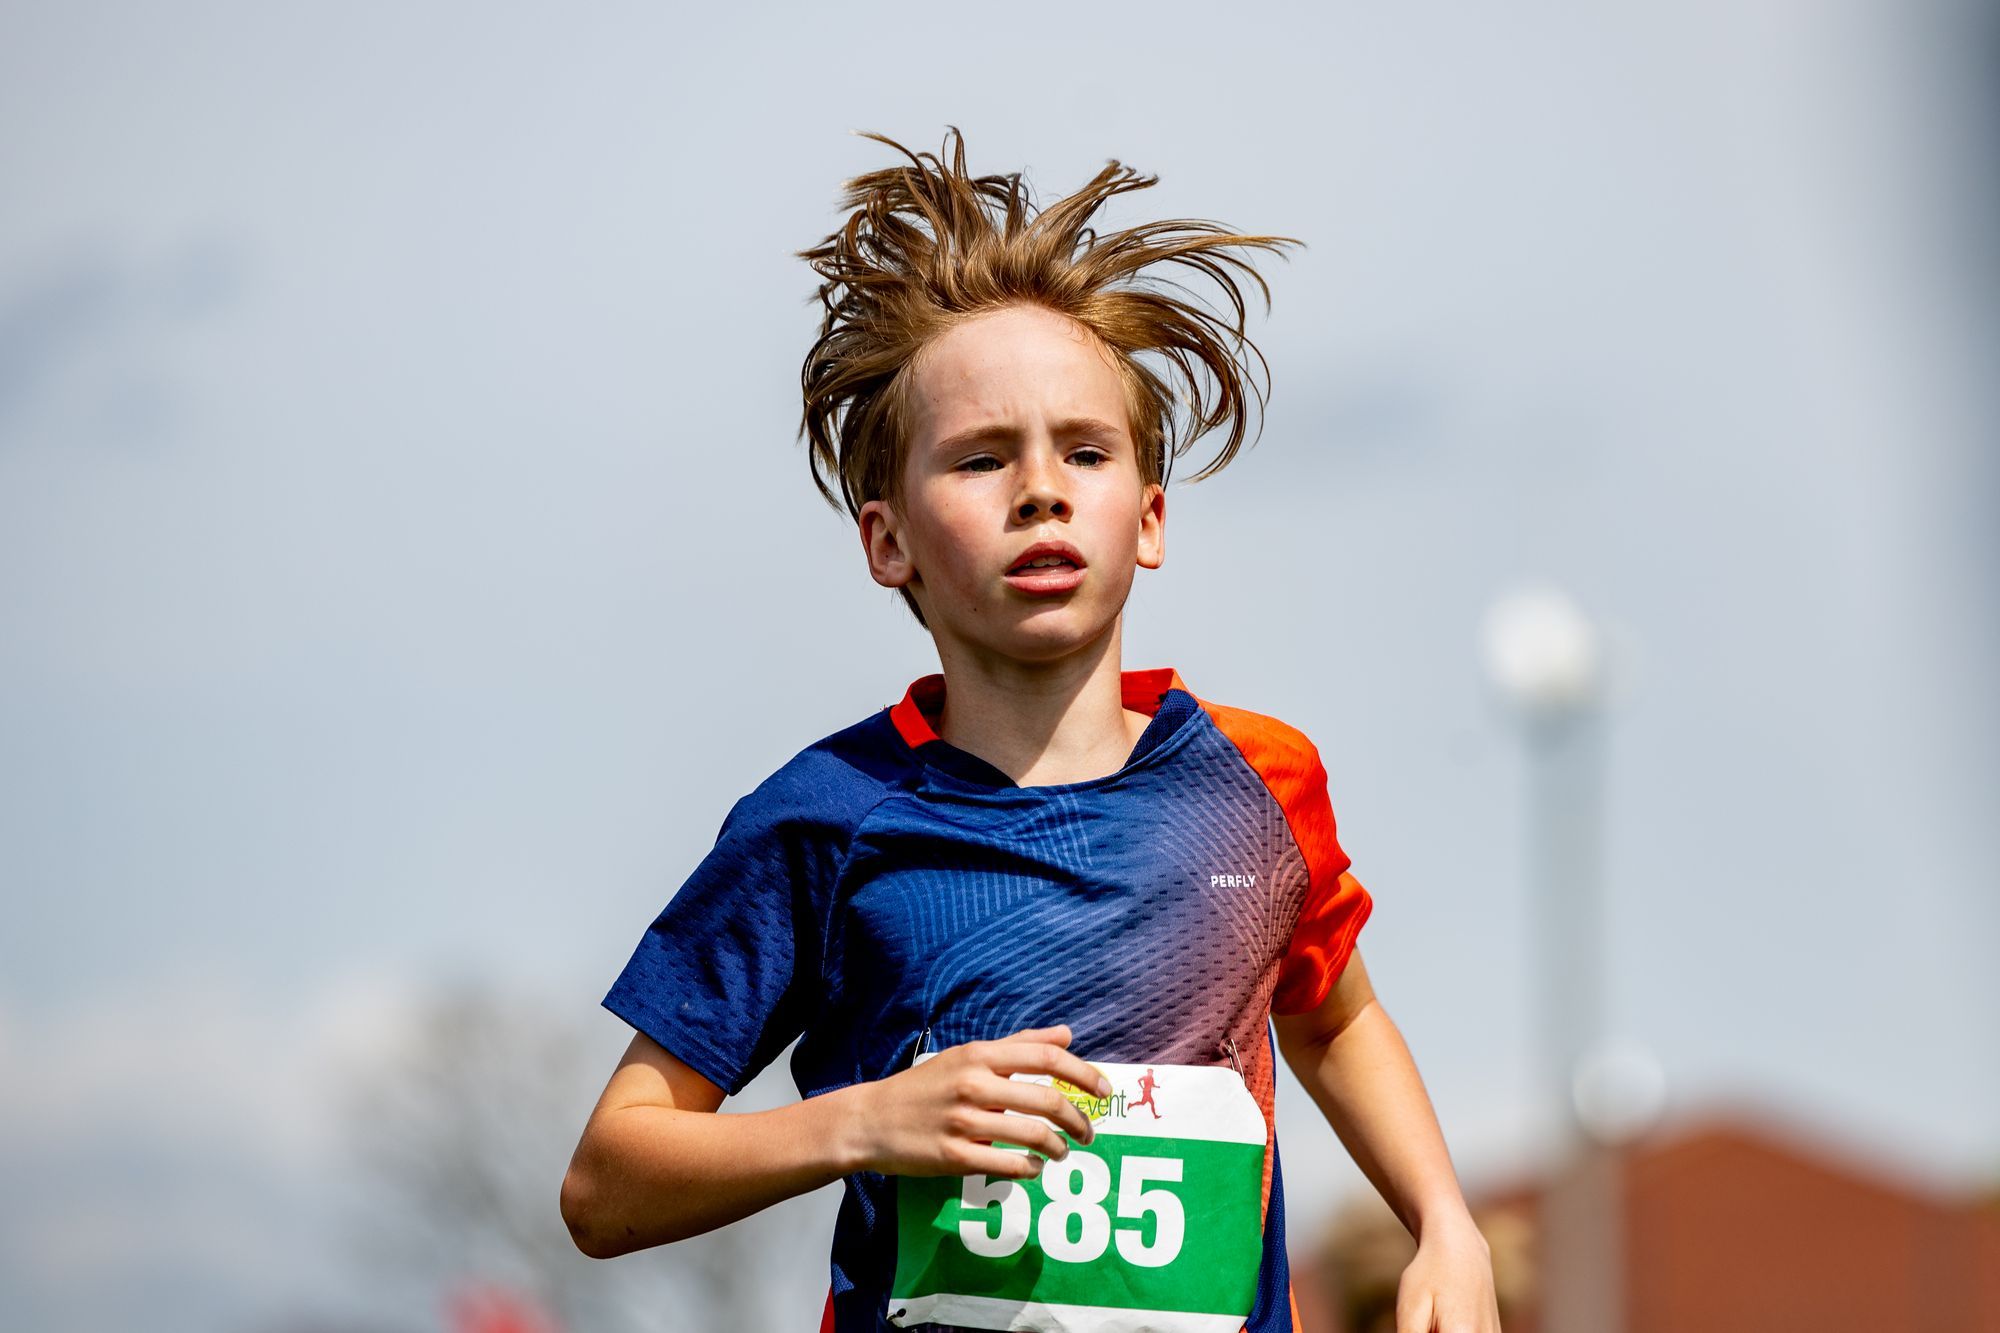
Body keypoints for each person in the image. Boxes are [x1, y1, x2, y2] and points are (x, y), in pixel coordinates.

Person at [560, 128, 1501, 1333]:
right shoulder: (826, 817)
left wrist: (1444, 1223)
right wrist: (865, 1122)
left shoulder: (1261, 780)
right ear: (887, 538)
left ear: (1148, 517)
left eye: (1084, 451)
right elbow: (604, 1184)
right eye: (982, 457)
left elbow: (1336, 1016)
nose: (1041, 489)